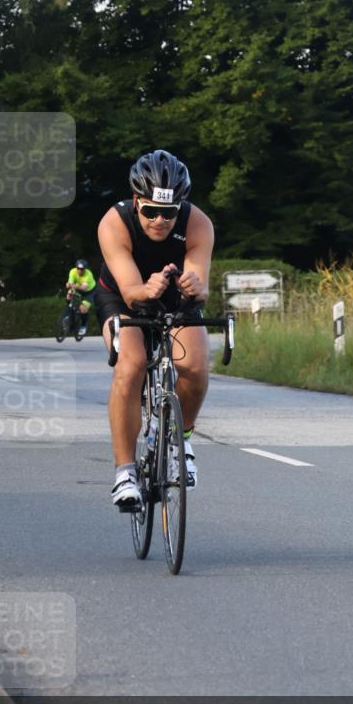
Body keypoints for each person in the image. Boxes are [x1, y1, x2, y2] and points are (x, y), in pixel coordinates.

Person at [96, 149, 214, 508]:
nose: (160, 220)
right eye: (150, 211)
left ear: (180, 208)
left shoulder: (198, 223)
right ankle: (125, 473)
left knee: (195, 366)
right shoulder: (114, 222)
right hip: (123, 296)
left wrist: (196, 287)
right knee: (130, 364)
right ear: (136, 202)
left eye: (169, 212)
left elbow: (200, 285)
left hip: (174, 296)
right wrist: (146, 289)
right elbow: (132, 291)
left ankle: (182, 442)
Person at [65, 259, 96, 335]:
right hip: (78, 288)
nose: (79, 270)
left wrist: (73, 286)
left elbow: (84, 288)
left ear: (85, 269)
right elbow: (70, 283)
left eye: (81, 269)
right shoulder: (73, 271)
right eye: (78, 268)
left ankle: (83, 326)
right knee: (69, 295)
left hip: (89, 292)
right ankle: (69, 313)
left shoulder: (88, 274)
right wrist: (69, 285)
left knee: (83, 309)